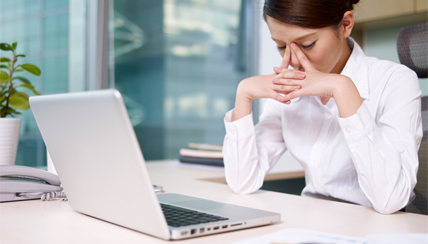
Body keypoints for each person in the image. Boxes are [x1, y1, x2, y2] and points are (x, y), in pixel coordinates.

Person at [222, 0, 422, 214]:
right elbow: (242, 181)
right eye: (281, 46)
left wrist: (341, 87)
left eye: (307, 44)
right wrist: (243, 93)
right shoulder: (289, 90)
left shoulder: (395, 81)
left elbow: (390, 200)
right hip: (313, 221)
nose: (293, 60)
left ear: (345, 25)